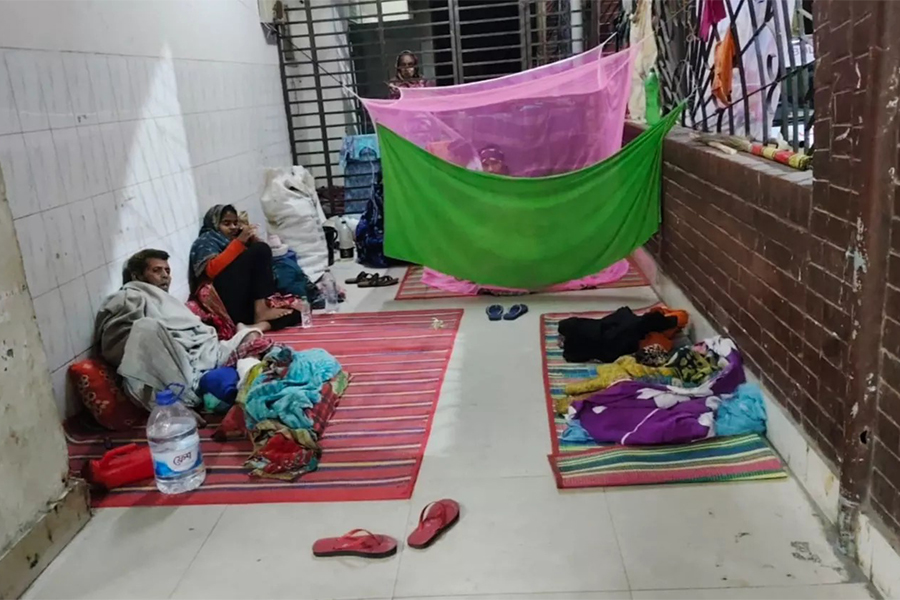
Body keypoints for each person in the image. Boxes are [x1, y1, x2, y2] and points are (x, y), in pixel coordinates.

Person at [96, 249, 271, 410]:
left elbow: (196, 333)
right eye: (157, 271)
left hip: (210, 353)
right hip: (182, 366)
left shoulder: (166, 300)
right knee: (146, 327)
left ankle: (249, 378)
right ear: (137, 276)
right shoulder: (130, 296)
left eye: (167, 271)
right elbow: (119, 345)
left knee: (250, 334)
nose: (165, 276)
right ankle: (190, 396)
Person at [189, 205, 301, 333]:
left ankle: (254, 327)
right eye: (226, 223)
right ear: (214, 223)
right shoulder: (207, 240)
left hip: (244, 307)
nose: (233, 227)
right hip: (224, 302)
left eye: (235, 223)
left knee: (296, 312)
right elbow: (211, 270)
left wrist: (250, 240)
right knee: (260, 249)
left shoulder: (231, 240)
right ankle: (261, 311)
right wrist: (239, 243)